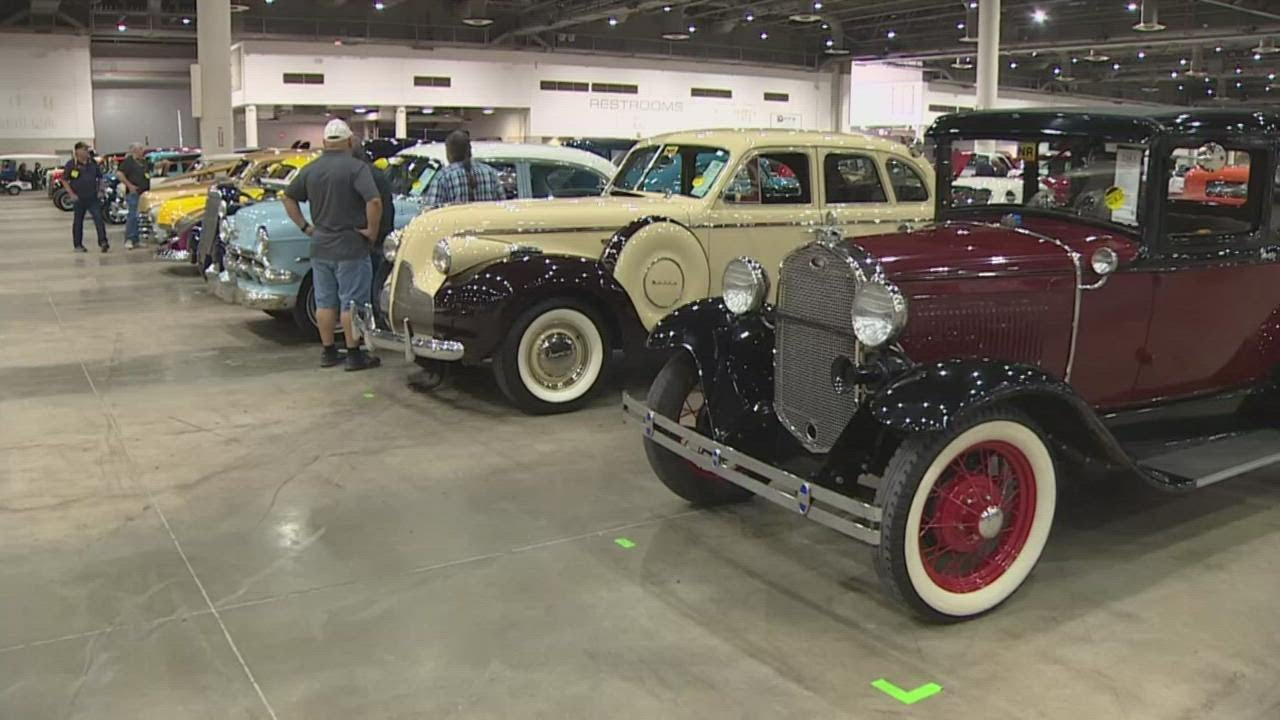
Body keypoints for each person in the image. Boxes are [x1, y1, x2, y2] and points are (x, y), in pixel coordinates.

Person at [283, 118, 383, 371]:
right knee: (351, 302)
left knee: (325, 302)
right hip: (351, 246)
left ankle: (328, 351)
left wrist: (306, 227)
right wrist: (371, 232)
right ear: (349, 141)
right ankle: (354, 354)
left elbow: (288, 197)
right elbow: (374, 202)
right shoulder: (357, 169)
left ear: (325, 142)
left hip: (320, 246)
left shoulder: (311, 169)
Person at [422, 130, 506, 206]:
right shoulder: (490, 173)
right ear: (470, 150)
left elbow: (431, 210)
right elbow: (502, 205)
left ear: (449, 152)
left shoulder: (443, 177)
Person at [63, 142, 109, 253]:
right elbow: (64, 180)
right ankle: (78, 245)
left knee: (98, 219)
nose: (86, 151)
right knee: (78, 221)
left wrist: (100, 190)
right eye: (84, 149)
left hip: (93, 197)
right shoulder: (71, 164)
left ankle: (103, 242)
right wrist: (71, 194)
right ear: (77, 151)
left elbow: (100, 178)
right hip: (78, 198)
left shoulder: (92, 163)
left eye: (87, 149)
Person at [118, 143, 151, 250]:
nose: (142, 151)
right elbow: (119, 174)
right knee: (132, 216)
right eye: (141, 149)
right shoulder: (128, 162)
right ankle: (129, 239)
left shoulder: (143, 162)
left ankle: (136, 240)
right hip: (134, 193)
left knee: (138, 217)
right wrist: (129, 185)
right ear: (134, 150)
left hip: (143, 193)